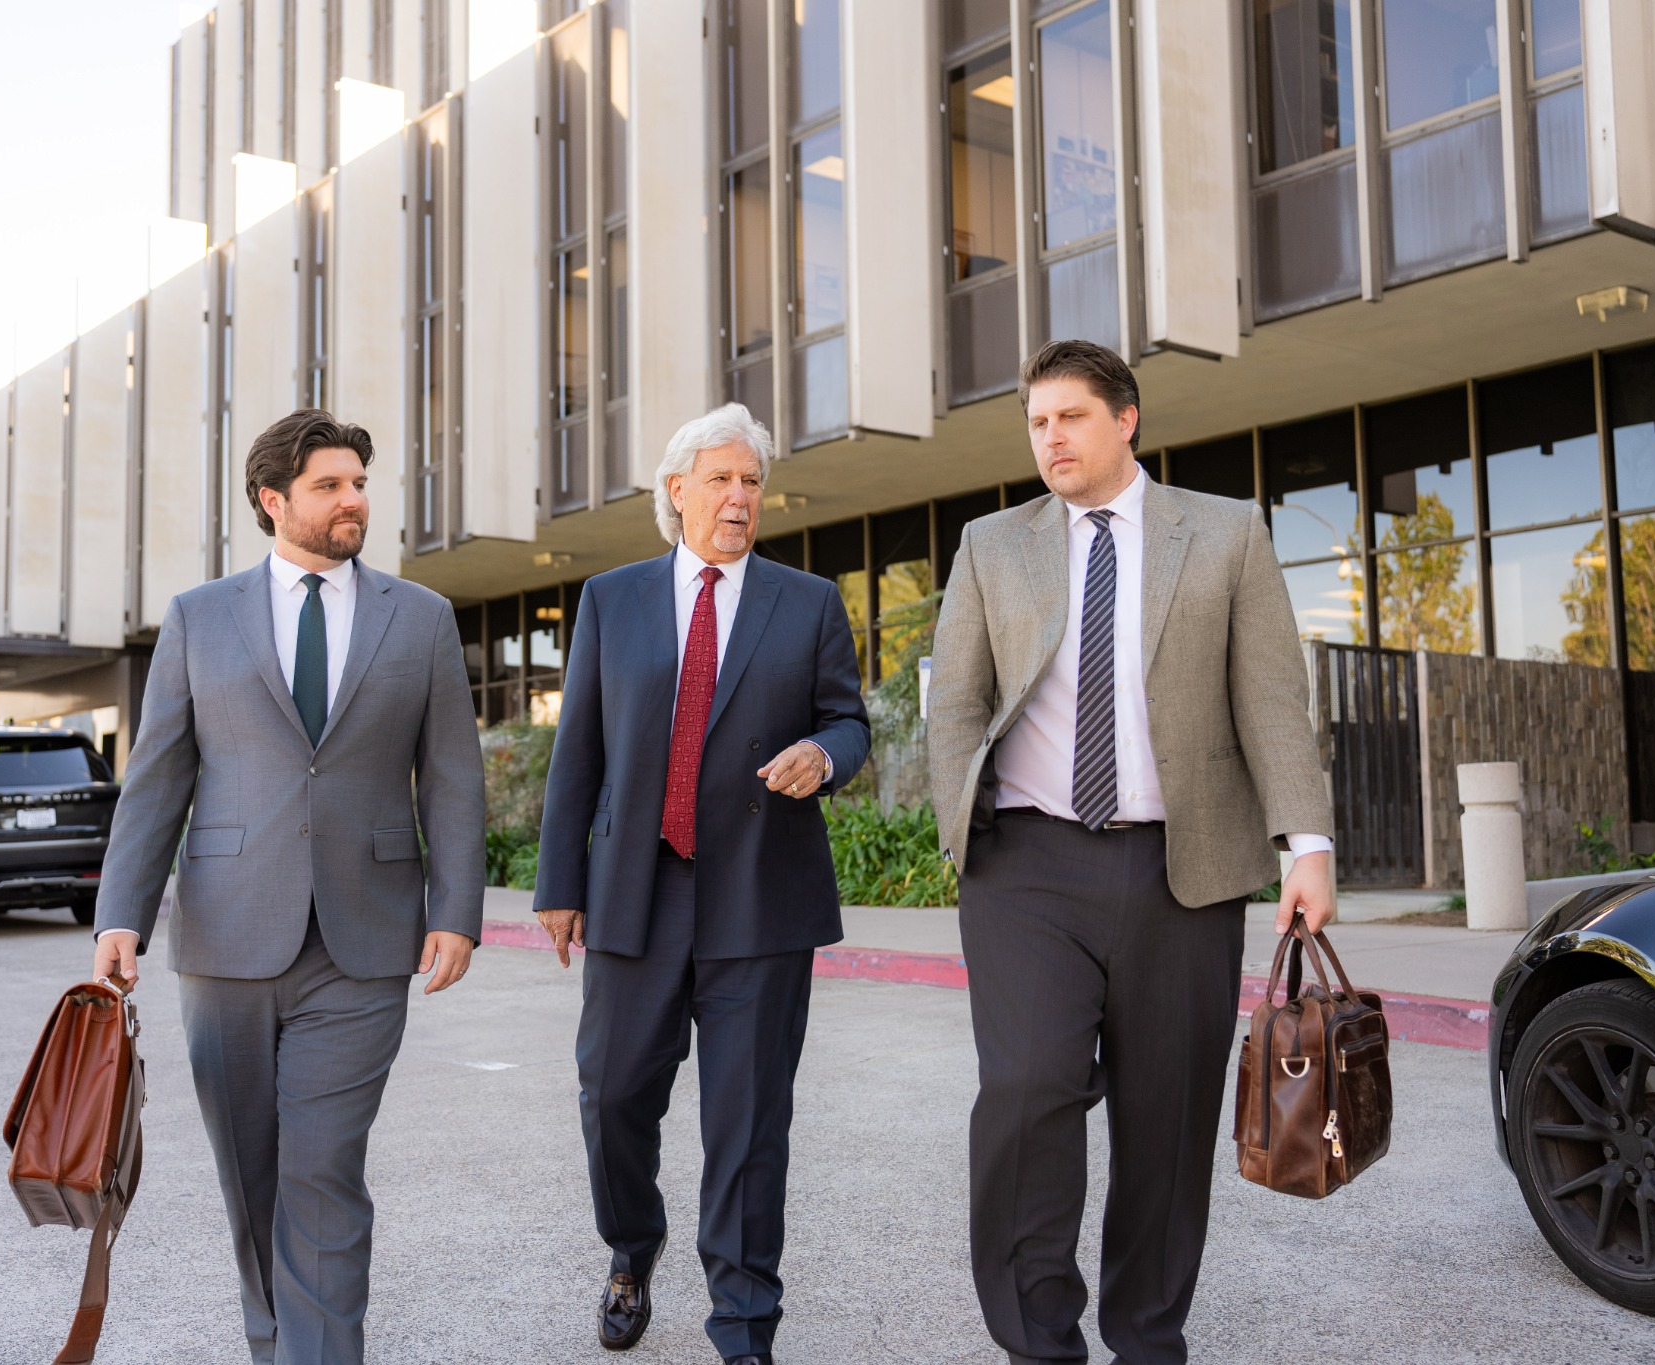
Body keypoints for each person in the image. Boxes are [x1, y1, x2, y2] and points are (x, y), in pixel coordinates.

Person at [927, 340, 1336, 1365]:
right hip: (1023, 867)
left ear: (1125, 419)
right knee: (1027, 1091)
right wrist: (957, 834)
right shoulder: (991, 543)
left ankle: (1148, 1336)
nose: (1049, 437)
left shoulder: (1226, 535)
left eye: (1068, 416)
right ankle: (1037, 1340)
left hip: (1182, 872)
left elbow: (1270, 700)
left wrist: (1306, 844)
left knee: (1166, 1118)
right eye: (1035, 421)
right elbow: (955, 706)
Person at [90, 408, 486, 1365]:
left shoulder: (420, 618)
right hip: (227, 937)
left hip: (364, 941)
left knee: (322, 1169)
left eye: (360, 482)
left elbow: (452, 774)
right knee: (252, 1170)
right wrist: (120, 914)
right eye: (331, 485)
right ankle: (274, 1339)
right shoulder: (200, 615)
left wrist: (458, 911)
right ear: (274, 501)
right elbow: (159, 775)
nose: (354, 501)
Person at [531, 403, 870, 1365]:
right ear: (676, 491)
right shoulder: (613, 598)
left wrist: (824, 753)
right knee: (614, 1098)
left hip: (762, 900)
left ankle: (745, 1323)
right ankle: (631, 1250)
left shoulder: (804, 602)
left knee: (749, 1120)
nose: (739, 497)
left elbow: (849, 722)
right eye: (720, 479)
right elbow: (580, 749)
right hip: (636, 892)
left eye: (751, 482)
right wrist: (561, 882)